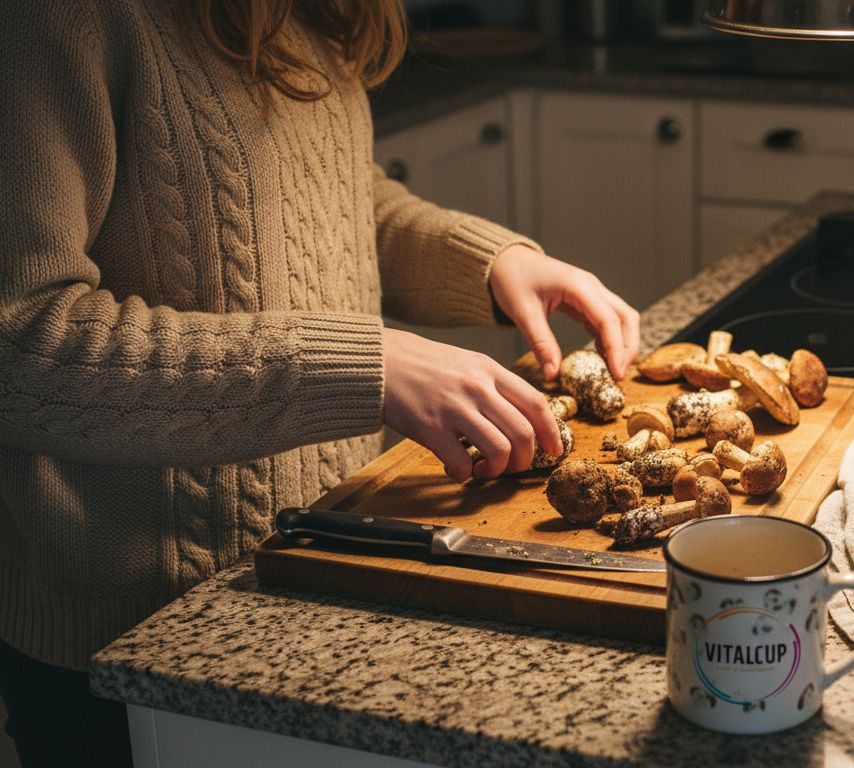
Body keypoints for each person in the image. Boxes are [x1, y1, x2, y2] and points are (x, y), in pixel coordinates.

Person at [0, 1, 639, 765]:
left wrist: (494, 265)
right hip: (138, 640)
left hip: (326, 566)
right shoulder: (53, 22)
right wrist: (360, 364)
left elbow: (329, 201)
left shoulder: (312, 11)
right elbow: (21, 341)